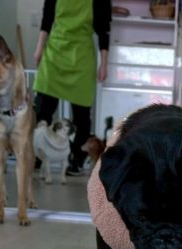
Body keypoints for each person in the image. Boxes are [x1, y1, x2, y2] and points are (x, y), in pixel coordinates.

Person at [33, 0, 110, 176]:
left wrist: (104, 63)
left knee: (82, 115)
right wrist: (39, 48)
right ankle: (39, 155)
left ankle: (77, 159)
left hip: (82, 56)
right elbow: (47, 18)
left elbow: (103, 30)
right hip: (55, 51)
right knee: (43, 109)